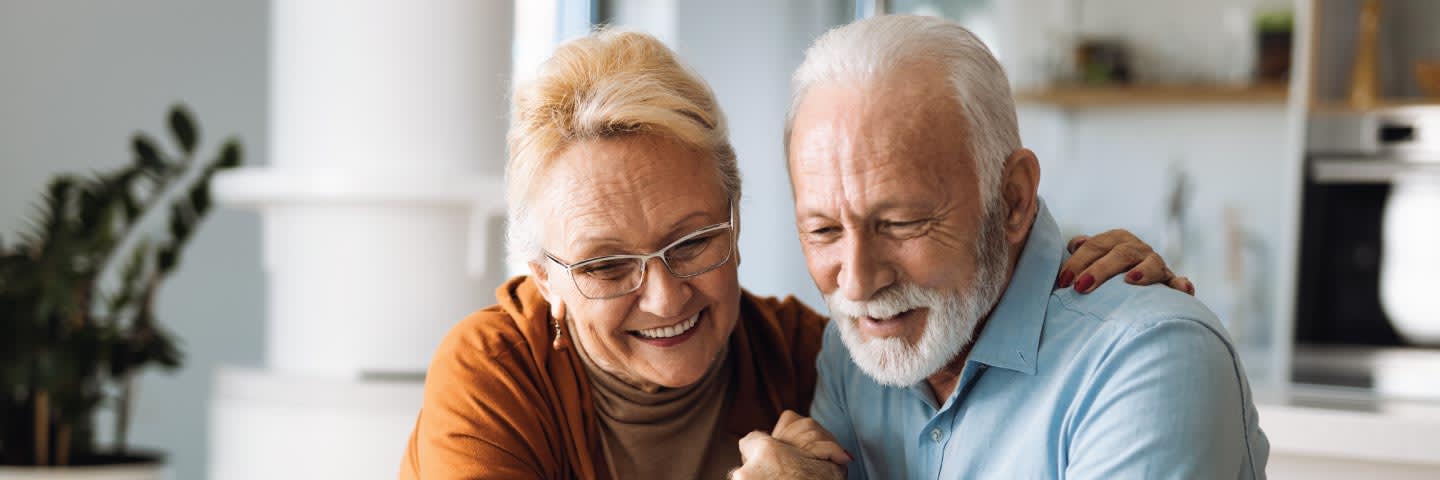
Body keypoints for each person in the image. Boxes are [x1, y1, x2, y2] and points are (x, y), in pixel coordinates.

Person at [399, 28, 1187, 480]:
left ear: (735, 221)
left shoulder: (818, 359)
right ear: (545, 278)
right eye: (606, 266)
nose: (666, 298)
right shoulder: (494, 373)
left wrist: (1049, 268)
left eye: (693, 241)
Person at [731, 15, 1269, 480]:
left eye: (900, 223)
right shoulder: (856, 357)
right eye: (823, 230)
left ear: (1012, 199)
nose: (857, 282)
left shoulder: (1148, 357)